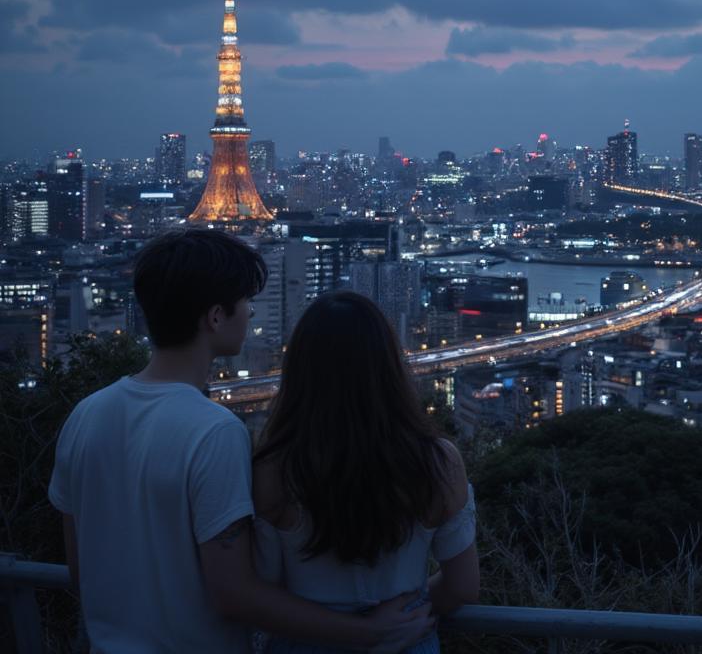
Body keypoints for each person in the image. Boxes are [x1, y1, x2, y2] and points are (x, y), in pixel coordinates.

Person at [49, 228, 434, 653]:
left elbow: (79, 568)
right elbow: (234, 593)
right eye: (246, 302)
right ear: (215, 317)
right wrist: (368, 632)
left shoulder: (85, 416)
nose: (251, 313)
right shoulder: (214, 431)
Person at [252, 291, 479, 654]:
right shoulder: (437, 462)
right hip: (407, 641)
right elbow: (462, 586)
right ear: (389, 366)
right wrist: (403, 617)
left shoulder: (273, 467)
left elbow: (262, 587)